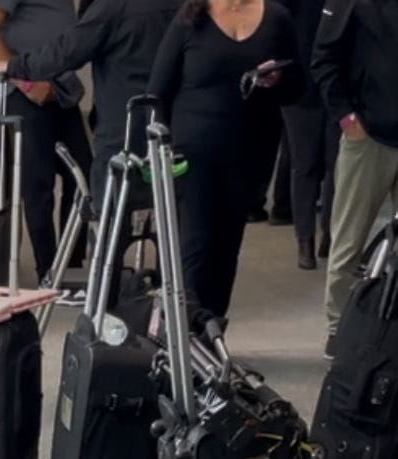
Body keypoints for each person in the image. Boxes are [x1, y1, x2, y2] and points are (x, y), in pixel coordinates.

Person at [148, 0, 302, 317]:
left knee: (227, 247)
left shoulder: (276, 18)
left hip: (250, 153)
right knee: (195, 245)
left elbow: (298, 88)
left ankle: (211, 332)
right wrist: (158, 150)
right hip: (192, 154)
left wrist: (277, 81)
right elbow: (157, 91)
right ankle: (183, 338)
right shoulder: (191, 19)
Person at [0, 0, 180, 207]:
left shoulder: (113, 8)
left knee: (112, 218)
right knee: (172, 214)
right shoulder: (184, 6)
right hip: (172, 129)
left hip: (123, 130)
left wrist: (14, 66)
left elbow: (65, 52)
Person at [0, 0, 93, 281]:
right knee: (37, 184)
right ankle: (49, 271)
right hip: (22, 92)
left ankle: (70, 263)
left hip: (58, 89)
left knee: (85, 172)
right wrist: (25, 82)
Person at [311, 0, 398, 355]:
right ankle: (339, 332)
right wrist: (347, 118)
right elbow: (323, 58)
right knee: (348, 242)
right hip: (368, 138)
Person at [279, 0, 337, 270]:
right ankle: (306, 239)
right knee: (305, 164)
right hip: (300, 84)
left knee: (336, 165)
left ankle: (329, 233)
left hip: (336, 82)